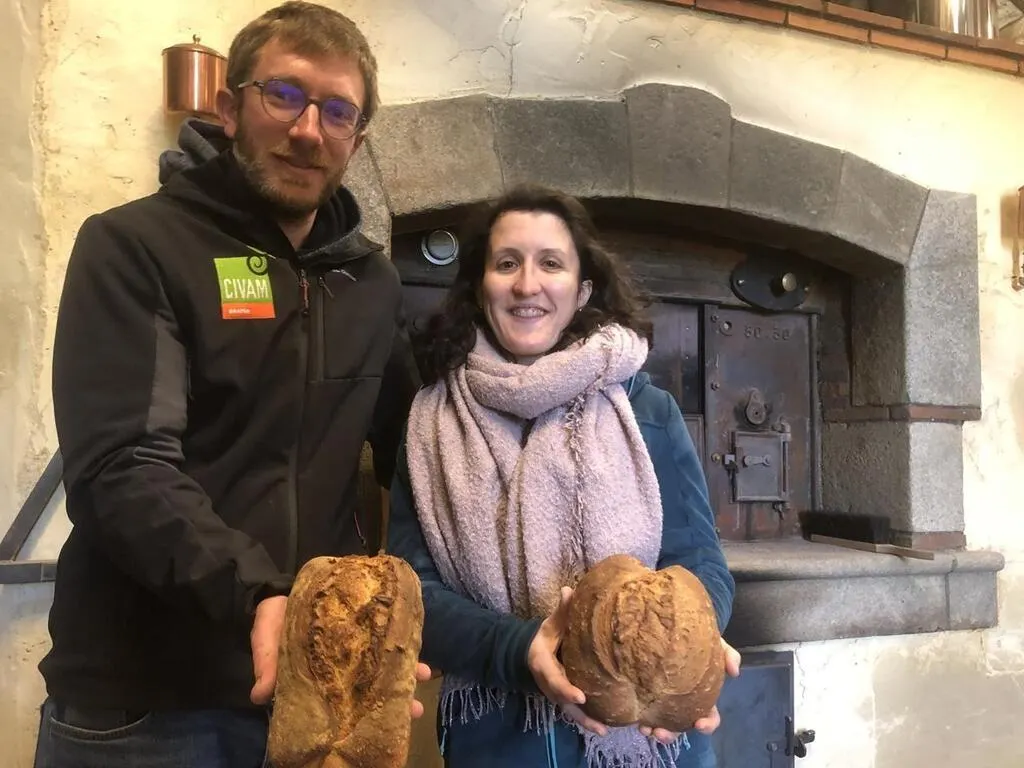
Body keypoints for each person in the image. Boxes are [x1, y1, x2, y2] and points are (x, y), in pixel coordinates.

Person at [33, 3, 428, 767]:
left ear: (358, 138)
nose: (309, 129)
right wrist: (257, 593)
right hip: (141, 706)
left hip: (310, 694)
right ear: (228, 105)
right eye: (284, 95)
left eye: (337, 111)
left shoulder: (370, 283)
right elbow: (123, 467)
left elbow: (425, 451)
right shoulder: (134, 246)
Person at [387, 184, 741, 768]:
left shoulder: (645, 409)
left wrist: (695, 646)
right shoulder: (430, 423)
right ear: (481, 286)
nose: (528, 284)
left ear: (580, 292)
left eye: (550, 263)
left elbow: (701, 561)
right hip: (500, 738)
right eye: (507, 264)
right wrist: (519, 648)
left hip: (653, 742)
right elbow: (413, 590)